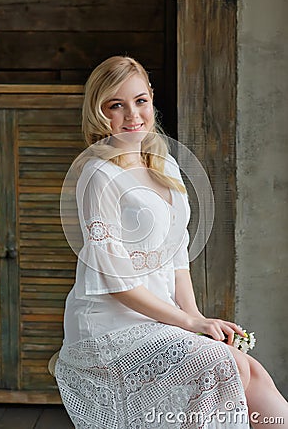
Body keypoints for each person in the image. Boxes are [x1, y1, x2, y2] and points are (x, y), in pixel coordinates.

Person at [54, 56, 288, 428]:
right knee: (227, 365)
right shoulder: (99, 174)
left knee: (252, 373)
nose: (133, 115)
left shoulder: (165, 168)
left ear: (151, 99)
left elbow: (177, 257)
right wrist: (186, 323)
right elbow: (116, 282)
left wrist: (195, 318)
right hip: (109, 327)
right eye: (117, 105)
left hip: (158, 319)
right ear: (100, 113)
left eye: (140, 100)